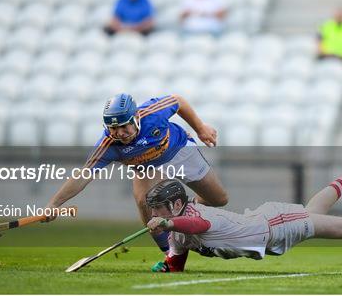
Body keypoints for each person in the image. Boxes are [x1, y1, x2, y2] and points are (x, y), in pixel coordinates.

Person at [145, 161, 342, 272]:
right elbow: (176, 260)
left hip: (275, 225)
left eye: (158, 208)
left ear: (174, 205)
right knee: (314, 212)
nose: (153, 213)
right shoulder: (176, 234)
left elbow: (199, 225)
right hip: (271, 227)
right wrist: (168, 265)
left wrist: (168, 223)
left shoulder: (191, 217)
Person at [45, 93, 228, 253]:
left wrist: (200, 128)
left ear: (136, 118)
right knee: (144, 202)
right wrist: (54, 203)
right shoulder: (108, 144)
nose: (120, 134)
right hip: (146, 167)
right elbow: (84, 175)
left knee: (218, 199)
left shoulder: (153, 113)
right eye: (113, 128)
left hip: (179, 150)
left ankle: (185, 210)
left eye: (124, 126)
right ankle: (170, 255)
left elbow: (178, 101)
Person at [316, 8, 342, 74]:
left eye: (341, 15)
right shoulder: (326, 26)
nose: (339, 17)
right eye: (338, 15)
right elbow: (319, 43)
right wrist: (324, 53)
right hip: (327, 56)